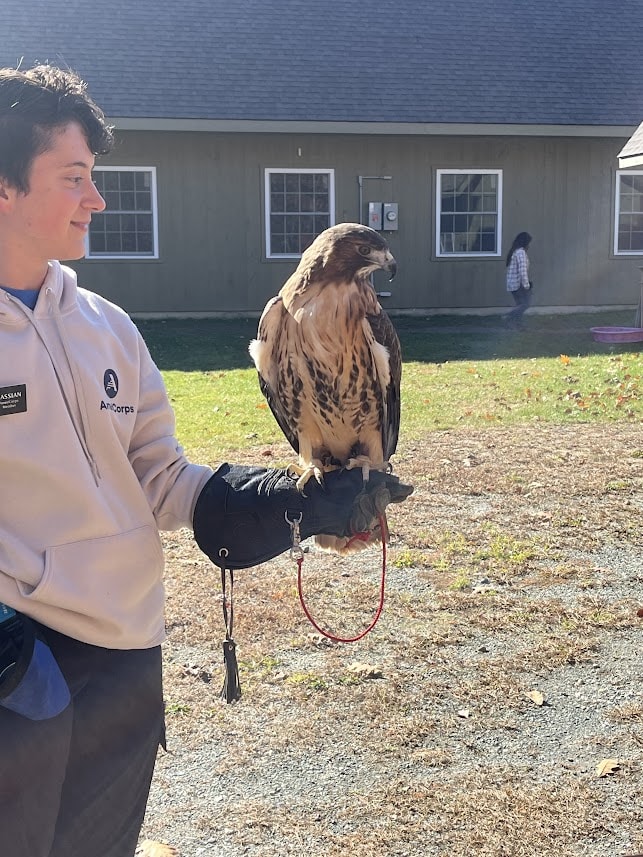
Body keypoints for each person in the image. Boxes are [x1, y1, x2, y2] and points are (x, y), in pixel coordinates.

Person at [0, 64, 412, 857]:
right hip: (21, 670)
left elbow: (160, 480)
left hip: (125, 659)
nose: (98, 200)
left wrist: (296, 502)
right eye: (74, 178)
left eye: (96, 178)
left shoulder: (108, 327)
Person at [504, 231, 533, 329]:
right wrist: (526, 285)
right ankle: (508, 317)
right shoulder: (521, 252)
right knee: (525, 304)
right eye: (529, 242)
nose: (529, 245)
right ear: (525, 242)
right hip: (518, 284)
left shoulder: (515, 251)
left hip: (513, 284)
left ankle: (517, 324)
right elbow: (522, 271)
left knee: (520, 305)